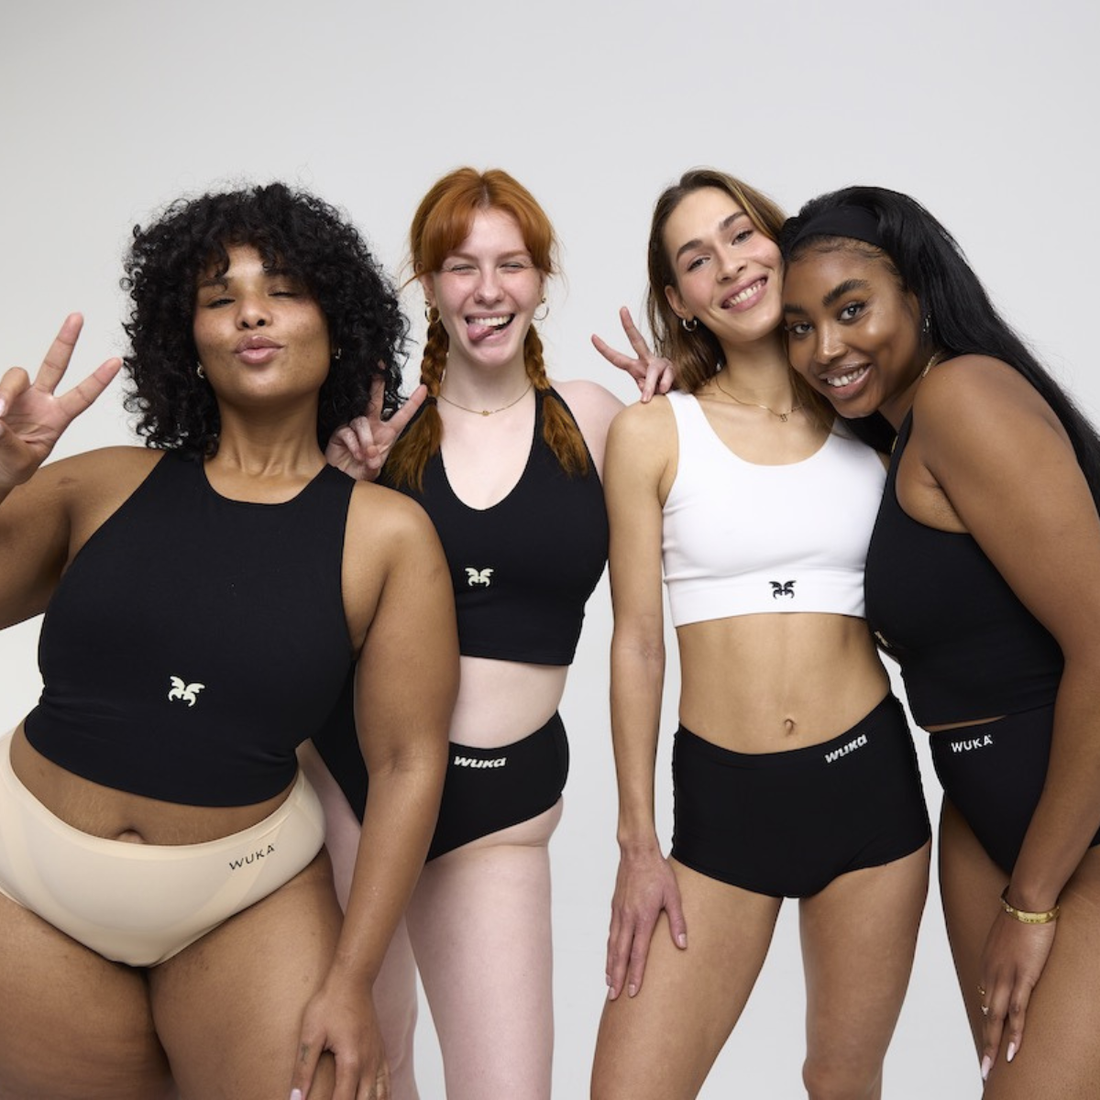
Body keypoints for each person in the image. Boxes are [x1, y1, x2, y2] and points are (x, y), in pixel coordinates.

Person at [0, 183, 458, 1100]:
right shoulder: (101, 485)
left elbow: (409, 763)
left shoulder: (387, 535)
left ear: (338, 325)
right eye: (219, 297)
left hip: (243, 897)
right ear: (189, 343)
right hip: (29, 887)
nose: (250, 310)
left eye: (282, 289)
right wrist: (2, 473)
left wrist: (351, 978)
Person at [589, 169, 931, 1100]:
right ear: (679, 301)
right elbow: (636, 644)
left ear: (777, 242)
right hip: (722, 810)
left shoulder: (871, 416)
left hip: (869, 792)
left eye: (741, 235)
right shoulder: (654, 433)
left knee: (841, 1081)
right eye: (697, 259)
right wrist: (636, 841)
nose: (730, 266)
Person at [303, 167, 623, 1100]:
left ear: (540, 279)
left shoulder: (596, 418)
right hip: (358, 784)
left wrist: (681, 410)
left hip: (499, 802)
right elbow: (301, 603)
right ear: (429, 284)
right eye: (461, 266)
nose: (488, 290)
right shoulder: (381, 432)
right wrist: (339, 489)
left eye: (511, 264)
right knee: (366, 1070)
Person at [780, 186, 1100, 1097]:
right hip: (983, 815)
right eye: (798, 326)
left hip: (1078, 833)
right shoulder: (897, 442)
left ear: (919, 293)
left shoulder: (964, 396)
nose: (827, 348)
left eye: (851, 309)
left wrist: (1033, 898)